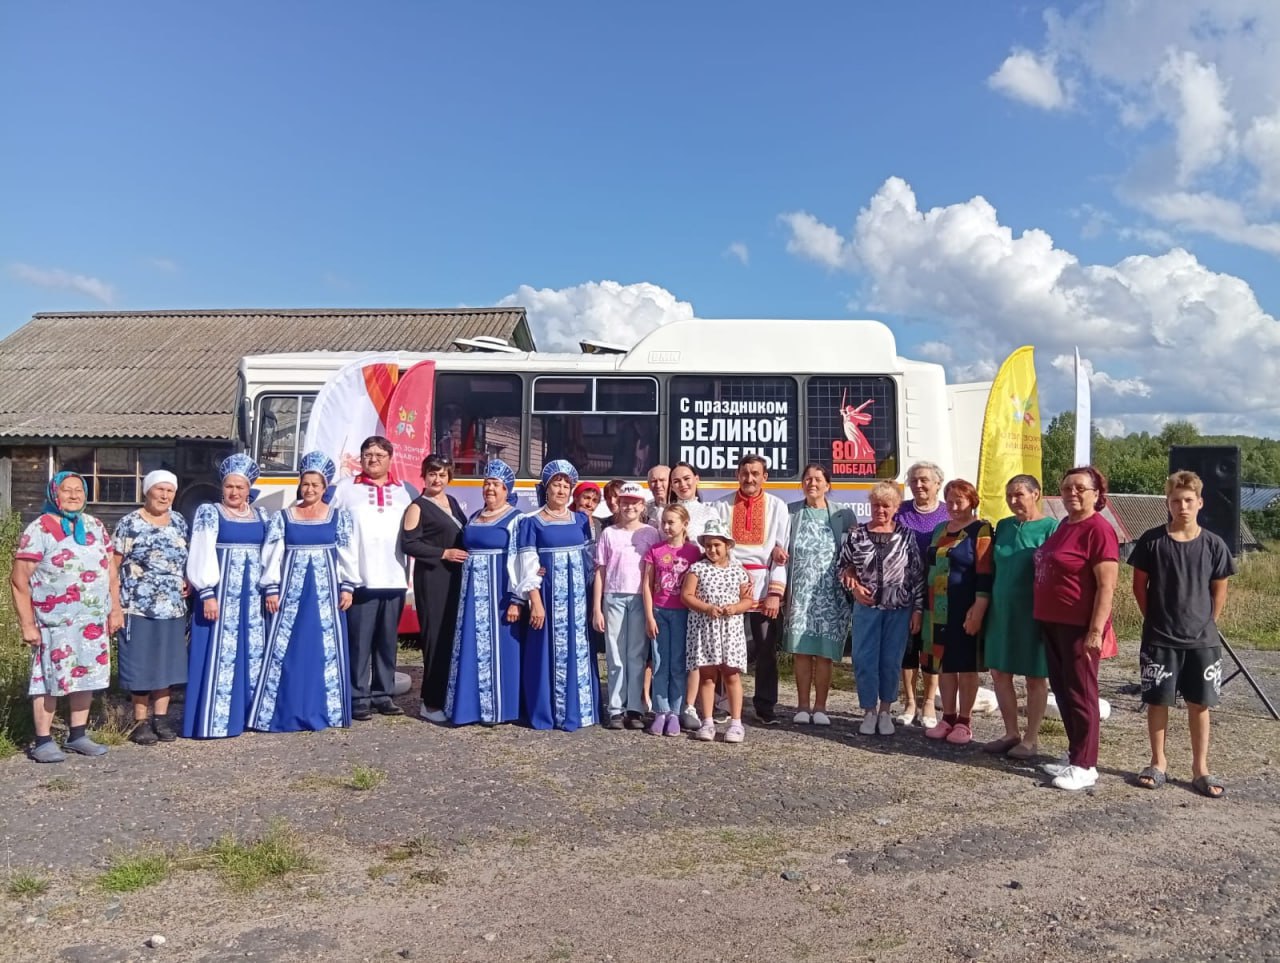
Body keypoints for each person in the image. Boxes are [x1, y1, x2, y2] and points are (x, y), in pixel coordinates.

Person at [1130, 471, 1235, 798]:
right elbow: (1139, 587)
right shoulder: (1151, 541)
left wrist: (1208, 623)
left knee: (1199, 704)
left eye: (1189, 500)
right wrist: (1154, 620)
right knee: (1157, 702)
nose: (1182, 506)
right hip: (1159, 638)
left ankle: (1200, 768)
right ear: (1168, 503)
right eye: (1176, 500)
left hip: (1203, 641)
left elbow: (1219, 590)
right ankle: (1157, 762)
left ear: (1200, 503)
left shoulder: (1214, 544)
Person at [12, 472, 123, 762]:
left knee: (86, 675)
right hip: (54, 622)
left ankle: (77, 735)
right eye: (66, 490)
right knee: (49, 679)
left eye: (79, 490)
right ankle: (43, 740)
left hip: (91, 620)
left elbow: (110, 572)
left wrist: (115, 609)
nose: (73, 495)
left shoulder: (95, 526)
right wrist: (27, 624)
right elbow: (19, 580)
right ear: (54, 494)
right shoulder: (40, 528)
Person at [249, 452, 358, 732]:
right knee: (291, 648)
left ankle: (324, 710)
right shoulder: (284, 517)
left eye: (315, 485)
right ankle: (285, 711)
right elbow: (273, 555)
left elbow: (347, 554)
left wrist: (347, 587)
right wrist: (271, 588)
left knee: (322, 649)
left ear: (324, 487)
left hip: (325, 594)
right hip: (292, 593)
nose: (309, 489)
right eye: (305, 484)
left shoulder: (338, 517)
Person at [1033, 466, 1120, 792]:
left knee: (1081, 694)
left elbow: (1106, 586)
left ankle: (1085, 764)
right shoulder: (1064, 526)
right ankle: (1074, 754)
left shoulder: (1099, 530)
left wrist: (1095, 631)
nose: (1072, 493)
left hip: (1078, 627)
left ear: (1096, 494)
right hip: (1052, 622)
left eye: (1080, 488)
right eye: (1067, 487)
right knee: (1064, 691)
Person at [330, 435, 416, 721]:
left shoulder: (405, 490)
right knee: (359, 641)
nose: (374, 459)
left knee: (387, 641)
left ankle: (383, 694)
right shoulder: (345, 488)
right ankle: (358, 696)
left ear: (390, 459)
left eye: (380, 455)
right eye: (368, 454)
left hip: (394, 577)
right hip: (360, 579)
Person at [184, 454, 270, 740]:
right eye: (229, 486)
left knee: (251, 650)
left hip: (252, 597)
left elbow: (270, 554)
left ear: (248, 489)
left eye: (240, 487)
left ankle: (249, 714)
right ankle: (216, 719)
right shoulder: (211, 513)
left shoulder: (261, 515)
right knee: (220, 652)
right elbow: (201, 551)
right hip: (221, 595)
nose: (234, 492)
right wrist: (207, 593)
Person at [515, 460, 599, 731]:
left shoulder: (581, 520)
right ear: (546, 488)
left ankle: (579, 709)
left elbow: (590, 561)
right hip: (548, 598)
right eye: (556, 484)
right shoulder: (532, 522)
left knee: (578, 649)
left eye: (566, 485)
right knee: (544, 651)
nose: (561, 490)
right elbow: (527, 564)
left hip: (578, 600)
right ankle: (548, 711)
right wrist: (535, 601)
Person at [839, 481, 924, 736]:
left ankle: (885, 711)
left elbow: (917, 575)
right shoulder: (856, 535)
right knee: (864, 659)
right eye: (876, 505)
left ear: (896, 507)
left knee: (891, 660)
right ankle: (869, 711)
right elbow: (842, 567)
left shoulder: (906, 535)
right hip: (866, 607)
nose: (880, 510)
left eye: (886, 505)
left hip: (899, 607)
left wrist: (918, 610)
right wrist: (854, 587)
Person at [111, 470, 189, 747]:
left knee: (167, 663)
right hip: (138, 605)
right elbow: (112, 566)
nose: (164, 496)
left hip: (173, 607)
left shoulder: (179, 521)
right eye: (159, 490)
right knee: (141, 664)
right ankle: (140, 721)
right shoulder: (130, 523)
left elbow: (183, 559)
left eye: (170, 491)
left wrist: (187, 580)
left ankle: (161, 718)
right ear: (147, 491)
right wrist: (114, 605)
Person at [445, 459, 525, 726]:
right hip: (471, 594)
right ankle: (469, 707)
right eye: (487, 483)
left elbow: (520, 560)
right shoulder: (474, 516)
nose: (489, 488)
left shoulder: (516, 519)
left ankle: (499, 708)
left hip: (500, 594)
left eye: (496, 485)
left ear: (506, 490)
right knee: (470, 645)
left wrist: (516, 600)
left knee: (501, 650)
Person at [983, 475, 1058, 758]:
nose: (1013, 500)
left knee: (1035, 676)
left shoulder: (1051, 528)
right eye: (1009, 495)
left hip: (1033, 613)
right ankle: (1010, 732)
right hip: (1001, 611)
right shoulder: (1003, 526)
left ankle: (1031, 738)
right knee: (1000, 672)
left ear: (1035, 494)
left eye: (1019, 494)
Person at [715, 454, 789, 725]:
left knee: (766, 648)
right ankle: (722, 703)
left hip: (763, 584)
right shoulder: (721, 506)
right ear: (738, 475)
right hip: (729, 583)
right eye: (745, 473)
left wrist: (775, 593)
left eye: (755, 473)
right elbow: (716, 548)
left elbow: (781, 553)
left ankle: (765, 706)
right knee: (724, 645)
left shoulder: (778, 507)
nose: (750, 478)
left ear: (764, 477)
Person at [783, 465, 857, 726]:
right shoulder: (791, 513)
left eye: (817, 479)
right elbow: (780, 546)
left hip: (831, 596)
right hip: (801, 594)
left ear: (828, 484)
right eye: (807, 479)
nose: (812, 484)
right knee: (802, 651)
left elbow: (853, 551)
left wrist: (851, 570)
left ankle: (821, 707)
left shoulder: (842, 515)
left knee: (825, 654)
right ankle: (803, 706)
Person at [921, 479, 993, 746]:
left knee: (966, 665)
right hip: (936, 607)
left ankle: (964, 721)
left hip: (964, 607)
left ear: (971, 501)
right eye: (949, 501)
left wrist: (979, 607)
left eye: (959, 501)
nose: (953, 506)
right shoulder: (940, 528)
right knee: (945, 664)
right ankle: (948, 717)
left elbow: (985, 572)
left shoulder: (980, 529)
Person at [401, 454, 469, 723]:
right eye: (432, 474)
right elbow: (409, 543)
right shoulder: (417, 506)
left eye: (442, 474)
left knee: (451, 638)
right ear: (424, 476)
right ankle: (430, 703)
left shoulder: (451, 502)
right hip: (433, 578)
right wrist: (443, 553)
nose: (437, 479)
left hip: (454, 577)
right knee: (435, 638)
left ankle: (446, 697)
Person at [593, 482, 662, 729]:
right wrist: (597, 607)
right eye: (625, 502)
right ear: (617, 504)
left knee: (636, 654)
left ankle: (635, 708)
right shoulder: (609, 533)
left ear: (642, 506)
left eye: (634, 503)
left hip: (640, 598)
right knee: (615, 654)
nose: (629, 507)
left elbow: (655, 571)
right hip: (613, 596)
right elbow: (600, 570)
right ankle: (615, 708)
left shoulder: (651, 533)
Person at [682, 517, 753, 744]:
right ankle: (708, 721)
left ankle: (736, 722)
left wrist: (735, 608)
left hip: (731, 629)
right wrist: (706, 608)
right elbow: (687, 595)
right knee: (707, 675)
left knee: (731, 673)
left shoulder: (738, 571)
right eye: (708, 545)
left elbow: (747, 600)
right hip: (706, 629)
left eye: (717, 545)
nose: (712, 550)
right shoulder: (697, 569)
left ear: (727, 545)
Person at [895, 461, 949, 728]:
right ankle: (909, 702)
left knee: (932, 649)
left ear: (938, 484)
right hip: (905, 590)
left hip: (938, 592)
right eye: (914, 480)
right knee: (908, 648)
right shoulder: (900, 511)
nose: (918, 485)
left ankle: (928, 702)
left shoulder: (949, 513)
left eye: (924, 480)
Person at [642, 504, 702, 737]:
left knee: (678, 663)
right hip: (659, 612)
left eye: (671, 522)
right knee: (659, 663)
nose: (666, 527)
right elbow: (647, 585)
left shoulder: (694, 552)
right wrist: (649, 616)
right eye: (663, 522)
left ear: (684, 524)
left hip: (683, 613)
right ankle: (661, 710)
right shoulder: (656, 550)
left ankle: (675, 712)